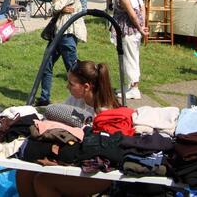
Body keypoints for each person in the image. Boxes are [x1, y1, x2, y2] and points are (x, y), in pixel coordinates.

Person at [18, 60, 120, 197]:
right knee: (24, 172)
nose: (67, 87)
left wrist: (61, 164)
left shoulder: (105, 112)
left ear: (86, 87)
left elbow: (100, 154)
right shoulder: (75, 99)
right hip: (70, 154)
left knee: (43, 182)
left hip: (97, 170)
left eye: (71, 84)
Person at [35, 0, 86, 107]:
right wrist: (60, 8)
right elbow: (53, 10)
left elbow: (55, 6)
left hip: (68, 34)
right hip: (58, 33)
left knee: (73, 69)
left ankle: (82, 98)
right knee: (46, 64)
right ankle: (44, 98)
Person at [111, 0, 147, 100]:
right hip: (135, 29)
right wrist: (142, 25)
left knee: (129, 58)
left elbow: (132, 14)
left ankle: (134, 87)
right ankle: (131, 85)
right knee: (132, 56)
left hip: (128, 29)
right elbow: (142, 8)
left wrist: (139, 27)